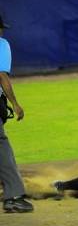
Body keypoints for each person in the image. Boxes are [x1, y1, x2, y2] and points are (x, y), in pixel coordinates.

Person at [0, 15, 34, 213]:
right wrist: (15, 103)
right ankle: (13, 197)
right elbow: (2, 75)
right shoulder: (2, 44)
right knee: (2, 148)